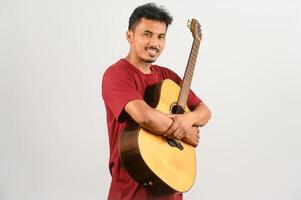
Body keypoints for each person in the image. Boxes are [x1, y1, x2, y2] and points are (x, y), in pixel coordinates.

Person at [101, 3, 211, 200]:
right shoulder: (117, 75)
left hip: (171, 186)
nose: (155, 43)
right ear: (130, 36)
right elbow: (146, 117)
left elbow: (204, 112)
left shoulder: (168, 77)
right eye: (147, 34)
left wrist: (189, 119)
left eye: (161, 37)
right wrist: (186, 131)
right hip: (131, 191)